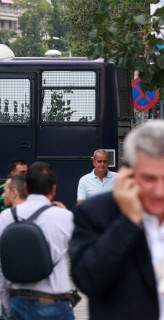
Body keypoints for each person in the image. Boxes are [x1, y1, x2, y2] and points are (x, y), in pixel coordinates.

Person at [69, 120, 164, 320]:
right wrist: (127, 222)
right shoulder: (96, 214)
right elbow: (87, 279)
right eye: (149, 179)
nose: (159, 191)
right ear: (130, 174)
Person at [0, 162, 75, 320]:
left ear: (26, 188)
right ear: (54, 189)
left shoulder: (5, 218)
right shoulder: (65, 217)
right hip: (56, 303)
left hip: (18, 302)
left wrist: (9, 305)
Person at [0, 160, 28, 243]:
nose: (25, 175)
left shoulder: (32, 190)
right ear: (12, 173)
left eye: (27, 172)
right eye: (22, 172)